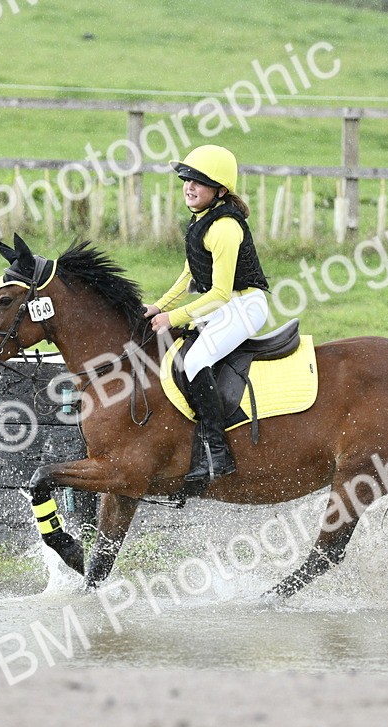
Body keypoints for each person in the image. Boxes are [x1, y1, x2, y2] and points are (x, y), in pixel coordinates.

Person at [144, 144, 270, 485]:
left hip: (244, 307)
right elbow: (189, 276)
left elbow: (218, 294)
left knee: (194, 361)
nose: (189, 186)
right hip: (226, 305)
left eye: (199, 181)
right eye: (186, 178)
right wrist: (157, 307)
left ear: (220, 191)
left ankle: (218, 454)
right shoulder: (200, 221)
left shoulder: (225, 228)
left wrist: (173, 318)